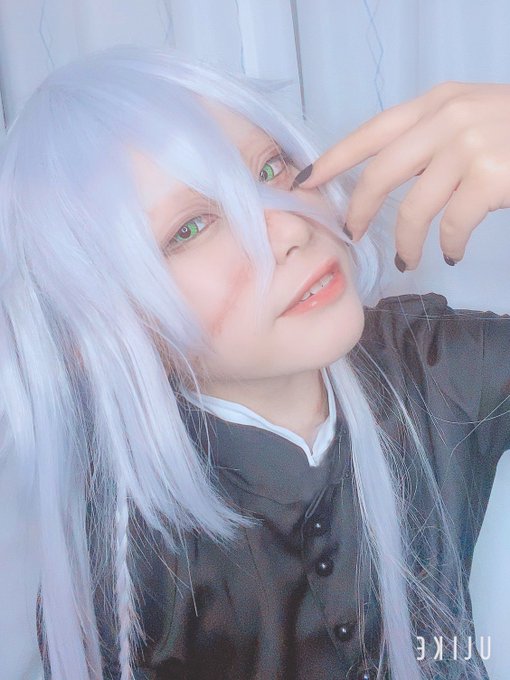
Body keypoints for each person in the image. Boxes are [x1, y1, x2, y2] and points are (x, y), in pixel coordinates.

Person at [0, 45, 508, 680]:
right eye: (190, 228)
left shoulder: (430, 366)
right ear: (99, 330)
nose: (290, 228)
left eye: (271, 167)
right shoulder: (127, 553)